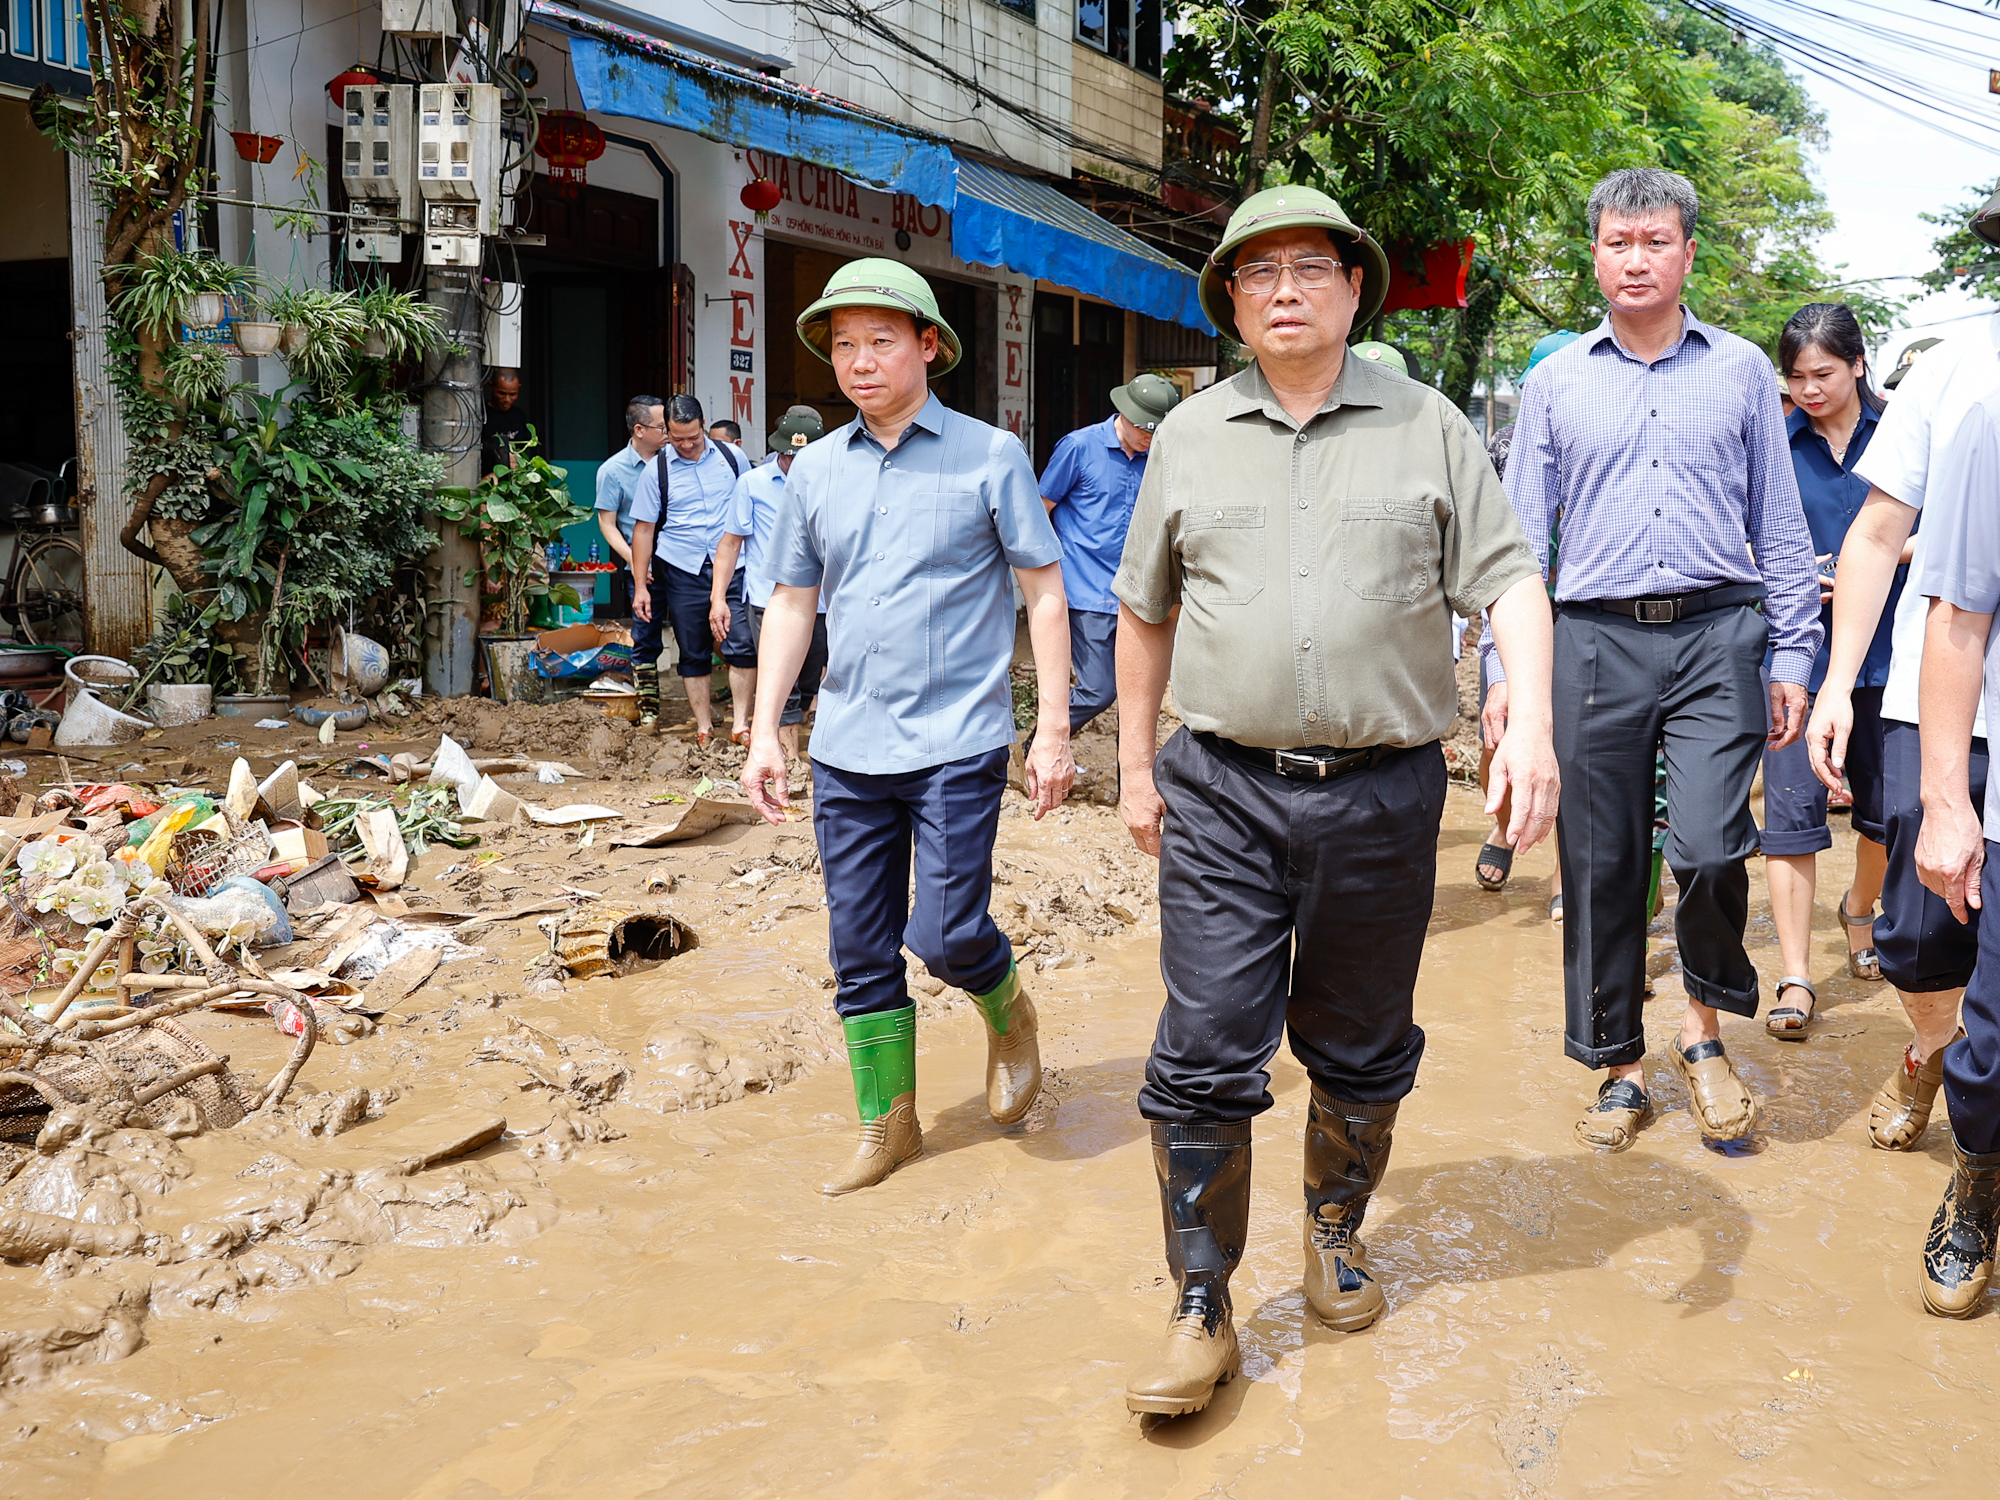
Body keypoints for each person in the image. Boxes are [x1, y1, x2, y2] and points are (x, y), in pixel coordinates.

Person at [1111, 185, 1558, 1418]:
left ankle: (1332, 1227)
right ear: (1232, 304)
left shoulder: (1428, 427)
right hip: (1220, 790)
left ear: (1355, 288)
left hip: (1381, 792)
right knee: (1202, 1047)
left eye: (1310, 268)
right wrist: (1128, 759)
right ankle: (1200, 1299)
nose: (1285, 291)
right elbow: (1142, 608)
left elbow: (1509, 581)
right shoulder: (1191, 437)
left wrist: (1535, 719)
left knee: (1360, 1042)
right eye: (1258, 276)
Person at [1493, 167, 1820, 1153]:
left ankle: (1701, 1034)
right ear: (1594, 255)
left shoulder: (1736, 373)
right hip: (1589, 637)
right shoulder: (1553, 381)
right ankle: (1619, 1069)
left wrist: (1793, 653)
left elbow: (1776, 514)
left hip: (1718, 630)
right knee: (1600, 863)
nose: (1633, 260)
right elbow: (1517, 543)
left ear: (1685, 254)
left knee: (1714, 845)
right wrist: (1504, 679)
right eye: (1615, 243)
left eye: (1653, 242)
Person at [738, 259, 1076, 1200]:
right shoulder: (812, 470)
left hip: (958, 742)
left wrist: (1051, 731)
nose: (860, 361)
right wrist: (767, 731)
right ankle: (889, 1125)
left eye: (881, 340)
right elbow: (793, 603)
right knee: (859, 947)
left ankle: (1007, 1009)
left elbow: (1044, 595)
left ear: (929, 346)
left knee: (945, 931)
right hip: (847, 746)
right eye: (843, 344)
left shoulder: (988, 456)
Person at [1804, 299, 2000, 1154]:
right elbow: (1879, 532)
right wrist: (1837, 683)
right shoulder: (1957, 368)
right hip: (1938, 700)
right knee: (1917, 938)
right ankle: (1931, 1047)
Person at [1757, 305, 1893, 1040]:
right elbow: (1739, 538)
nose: (1809, 390)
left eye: (1824, 374)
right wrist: (1786, 574)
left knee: (1889, 816)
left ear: (1858, 366)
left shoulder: (1901, 438)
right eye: (1797, 377)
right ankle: (1797, 974)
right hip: (1797, 657)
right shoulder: (1774, 447)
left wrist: (1875, 559)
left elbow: (1944, 523)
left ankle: (1860, 910)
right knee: (1790, 821)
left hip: (1892, 656)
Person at [1910, 376, 2000, 1316]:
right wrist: (1946, 799)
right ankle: (1976, 1182)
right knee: (1996, 1044)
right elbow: (1959, 620)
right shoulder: (1991, 419)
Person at [1476, 330, 1579, 909]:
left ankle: (1568, 876)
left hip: (1584, 608)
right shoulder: (1501, 448)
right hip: (1518, 603)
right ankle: (1503, 822)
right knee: (1505, 725)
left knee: (1572, 741)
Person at [1038, 372, 1181, 733]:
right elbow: (1041, 508)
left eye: (1156, 433)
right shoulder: (1079, 447)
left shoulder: (1159, 458)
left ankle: (1130, 784)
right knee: (1099, 690)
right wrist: (1043, 583)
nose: (1150, 440)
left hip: (1139, 593)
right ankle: (1038, 744)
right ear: (1125, 417)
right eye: (1145, 432)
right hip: (1087, 590)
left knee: (1138, 695)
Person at [629, 395, 758, 741]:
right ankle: (703, 726)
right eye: (677, 438)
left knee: (742, 643)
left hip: (733, 566)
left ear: (704, 426)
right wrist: (641, 585)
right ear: (665, 431)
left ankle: (741, 723)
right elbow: (643, 529)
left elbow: (752, 507)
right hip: (682, 568)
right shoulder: (657, 470)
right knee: (693, 648)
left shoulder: (733, 458)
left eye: (693, 437)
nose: (686, 445)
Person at [712, 405, 830, 760]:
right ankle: (789, 760)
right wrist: (718, 598)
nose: (794, 464)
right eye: (788, 455)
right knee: (783, 681)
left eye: (803, 457)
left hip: (824, 600)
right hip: (769, 599)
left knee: (813, 677)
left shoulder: (834, 483)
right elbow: (731, 542)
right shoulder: (753, 483)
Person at [595, 395, 667, 620]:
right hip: (644, 566)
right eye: (662, 427)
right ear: (639, 430)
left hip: (681, 562)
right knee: (645, 633)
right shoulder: (612, 471)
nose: (669, 431)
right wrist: (635, 561)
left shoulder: (675, 461)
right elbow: (607, 524)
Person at [481, 367, 530, 477]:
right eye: (502, 393)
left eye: (512, 394)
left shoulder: (518, 416)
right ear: (491, 386)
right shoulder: (480, 414)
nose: (507, 399)